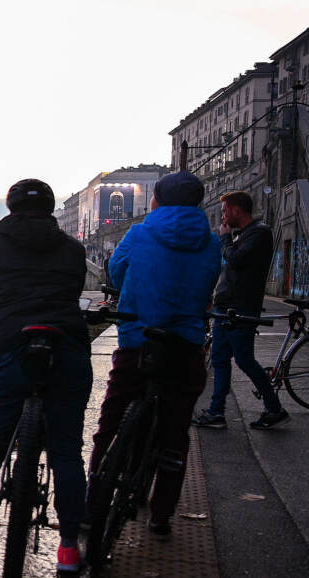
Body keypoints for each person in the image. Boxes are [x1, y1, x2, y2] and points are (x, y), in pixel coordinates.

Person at [0, 178, 91, 572]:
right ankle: (66, 549)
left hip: (11, 346)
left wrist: (3, 296)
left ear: (10, 208)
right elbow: (75, 286)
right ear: (50, 210)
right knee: (66, 451)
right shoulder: (73, 248)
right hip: (66, 347)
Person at [89, 170, 220, 538]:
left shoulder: (139, 232)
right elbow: (211, 278)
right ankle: (161, 517)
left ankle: (90, 504)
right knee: (175, 430)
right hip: (185, 343)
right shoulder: (211, 242)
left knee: (111, 422)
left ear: (155, 201)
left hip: (138, 338)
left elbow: (115, 270)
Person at [193, 191, 289, 430]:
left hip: (241, 308)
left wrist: (225, 239)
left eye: (225, 211)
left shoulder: (260, 234)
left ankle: (274, 408)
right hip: (226, 308)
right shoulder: (244, 235)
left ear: (237, 210)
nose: (223, 217)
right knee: (220, 359)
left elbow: (236, 260)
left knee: (245, 360)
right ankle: (216, 412)